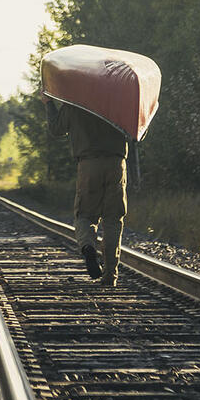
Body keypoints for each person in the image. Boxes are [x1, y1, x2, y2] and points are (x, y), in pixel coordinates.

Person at [42, 93, 128, 287]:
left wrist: (49, 104)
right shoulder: (119, 98)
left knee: (85, 216)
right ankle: (110, 276)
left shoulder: (75, 100)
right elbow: (137, 131)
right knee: (113, 219)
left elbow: (56, 129)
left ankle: (88, 247)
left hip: (88, 165)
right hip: (116, 163)